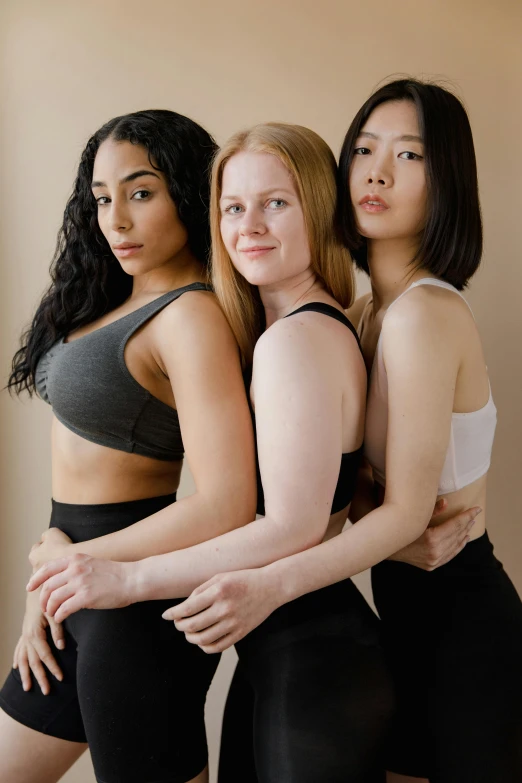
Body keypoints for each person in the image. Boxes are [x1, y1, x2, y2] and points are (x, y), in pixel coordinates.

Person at [168, 80, 522, 783]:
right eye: (363, 148)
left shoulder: (425, 315)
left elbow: (405, 509)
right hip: (403, 618)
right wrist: (390, 523)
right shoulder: (361, 317)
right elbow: (363, 499)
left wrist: (267, 583)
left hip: (462, 631)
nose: (377, 170)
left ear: (446, 178)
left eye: (409, 154)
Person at [30, 121, 397, 782]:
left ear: (317, 208)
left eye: (275, 203)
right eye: (233, 207)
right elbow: (336, 494)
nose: (248, 225)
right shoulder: (288, 332)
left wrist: (121, 575)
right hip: (285, 658)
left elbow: (293, 523)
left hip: (312, 666)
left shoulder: (294, 341)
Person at [0, 109, 257, 783]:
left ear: (188, 191)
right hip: (74, 586)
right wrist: (53, 571)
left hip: (134, 601)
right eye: (103, 198)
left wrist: (64, 563)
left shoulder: (191, 315)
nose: (115, 219)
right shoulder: (113, 299)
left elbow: (230, 502)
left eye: (141, 192)